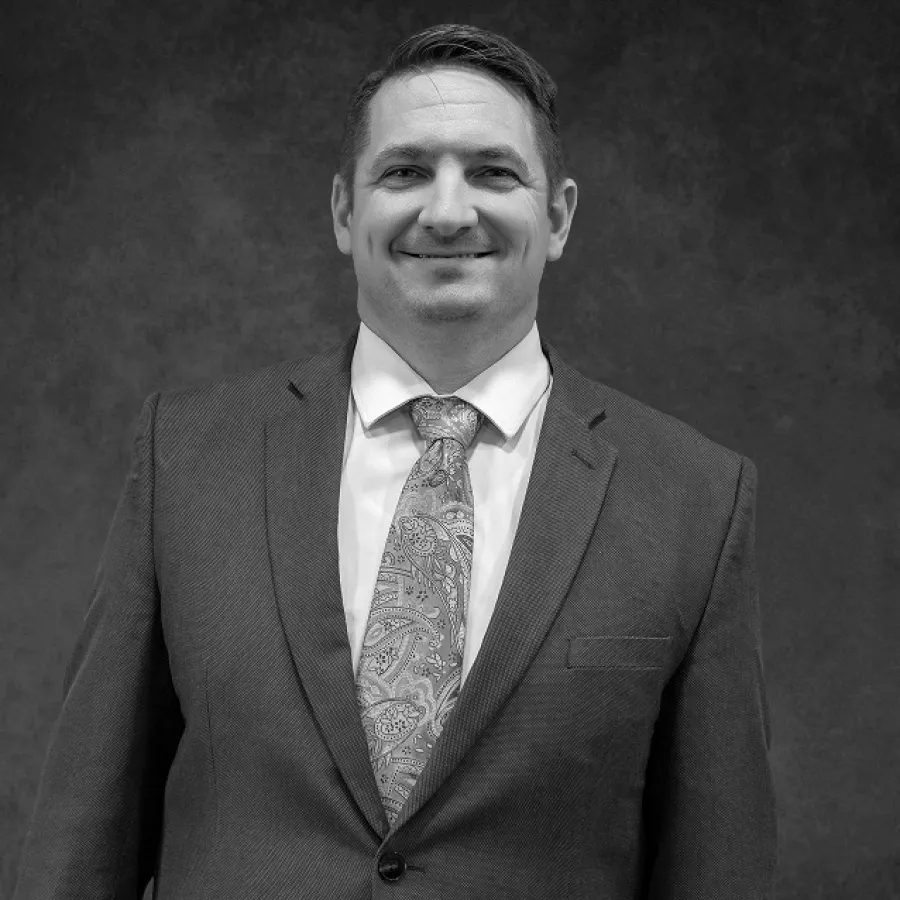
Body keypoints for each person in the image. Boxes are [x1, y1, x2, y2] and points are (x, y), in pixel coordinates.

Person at [13, 22, 777, 900]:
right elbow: (83, 838)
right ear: (345, 211)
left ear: (559, 215)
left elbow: (721, 869)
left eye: (493, 172)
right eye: (405, 170)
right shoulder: (189, 458)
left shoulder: (695, 498)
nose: (448, 212)